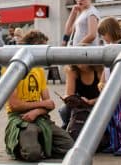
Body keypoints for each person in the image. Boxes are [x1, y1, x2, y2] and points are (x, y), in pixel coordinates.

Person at [4, 30, 74, 162]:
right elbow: (14, 105)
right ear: (34, 47)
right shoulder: (11, 68)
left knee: (70, 148)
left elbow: (50, 104)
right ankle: (25, 143)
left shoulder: (39, 70)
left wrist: (37, 111)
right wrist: (41, 105)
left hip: (40, 116)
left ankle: (39, 141)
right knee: (32, 154)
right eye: (43, 48)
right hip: (20, 118)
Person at [96, 17, 121, 156]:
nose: (102, 37)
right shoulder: (107, 48)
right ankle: (114, 143)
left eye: (103, 33)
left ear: (110, 32)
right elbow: (105, 70)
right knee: (110, 119)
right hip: (109, 89)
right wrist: (101, 82)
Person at [62, 62, 103, 146]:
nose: (80, 62)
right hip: (79, 105)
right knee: (64, 110)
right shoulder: (72, 70)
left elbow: (106, 95)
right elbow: (69, 94)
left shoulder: (99, 71)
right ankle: (68, 128)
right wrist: (75, 99)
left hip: (97, 103)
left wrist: (92, 101)